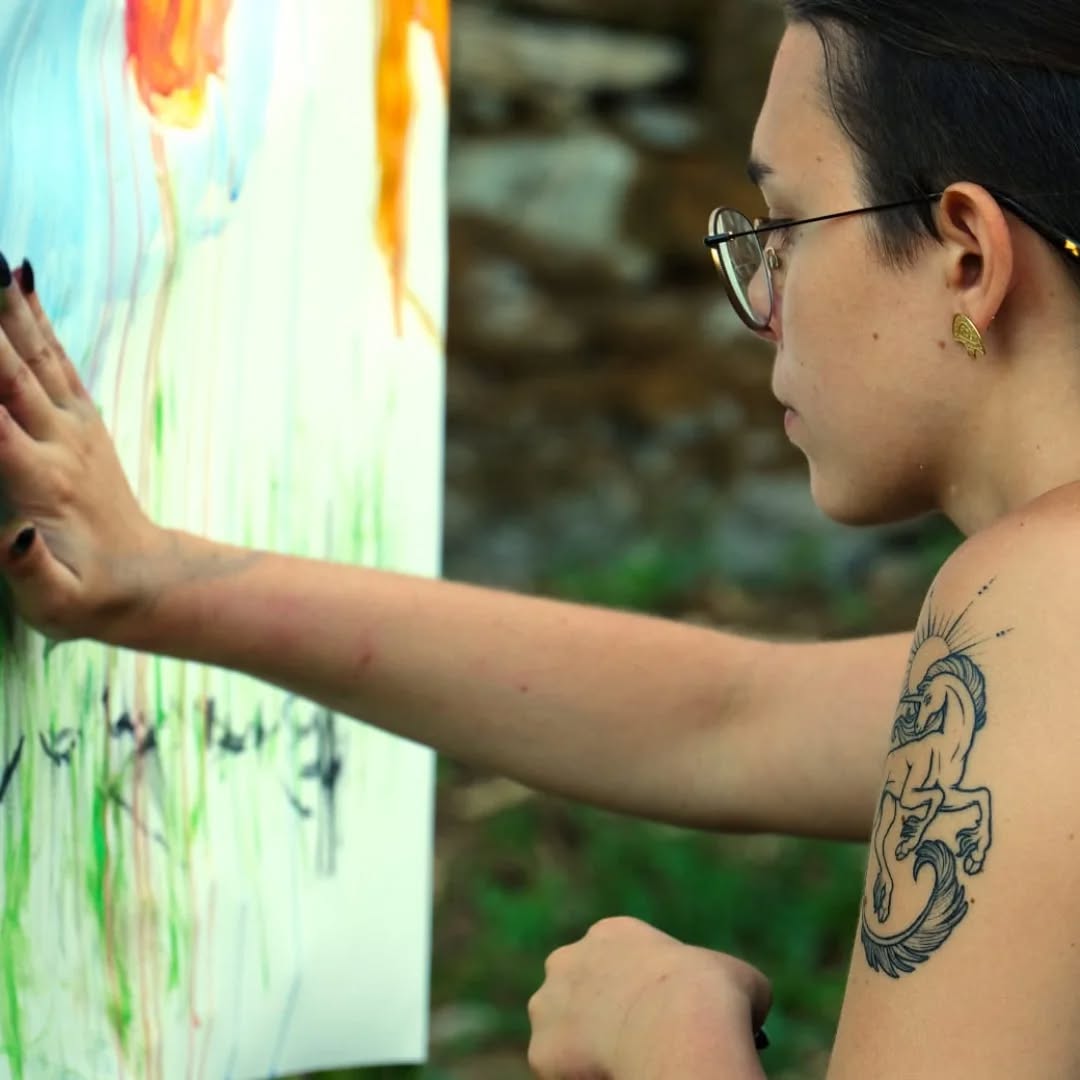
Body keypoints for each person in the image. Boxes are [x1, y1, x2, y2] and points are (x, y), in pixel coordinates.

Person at [2, 0, 1080, 1073]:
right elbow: (726, 716)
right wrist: (162, 581)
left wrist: (664, 1027)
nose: (762, 301)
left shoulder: (1037, 597)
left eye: (786, 228)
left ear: (965, 257)